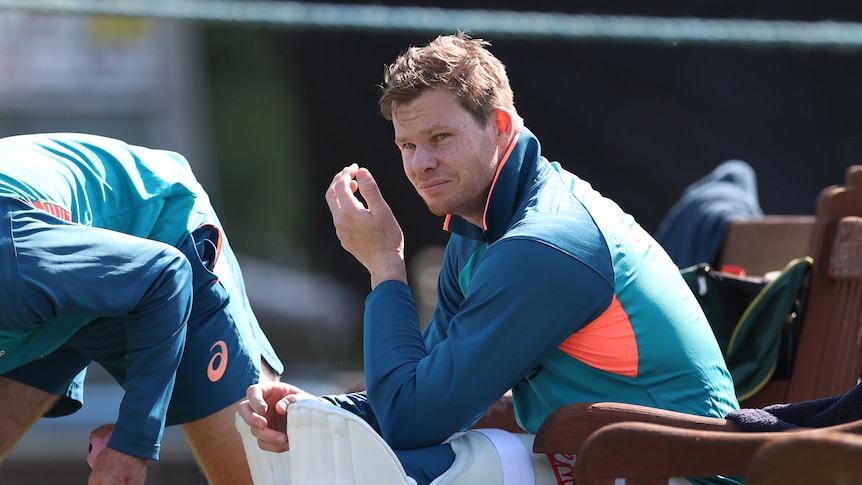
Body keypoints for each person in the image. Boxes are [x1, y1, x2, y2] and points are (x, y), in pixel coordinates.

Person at [239, 32, 739, 484]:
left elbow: (413, 421)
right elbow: (422, 388)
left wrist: (384, 265)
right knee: (321, 460)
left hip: (674, 471)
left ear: (499, 126)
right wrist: (322, 412)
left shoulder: (541, 245)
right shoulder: (481, 228)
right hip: (596, 456)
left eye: (441, 139)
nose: (420, 164)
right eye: (407, 145)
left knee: (368, 474)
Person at [0, 132, 284, 485]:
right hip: (53, 284)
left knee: (256, 476)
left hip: (160, 238)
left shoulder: (13, 266)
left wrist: (132, 444)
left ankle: (365, 415)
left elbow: (167, 277)